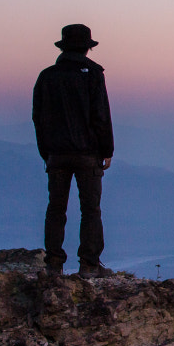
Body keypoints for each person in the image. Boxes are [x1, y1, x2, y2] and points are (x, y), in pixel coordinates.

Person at [32, 23, 114, 275]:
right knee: (90, 209)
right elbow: (100, 116)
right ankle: (89, 264)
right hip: (88, 154)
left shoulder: (47, 76)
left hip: (56, 154)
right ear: (87, 48)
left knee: (56, 208)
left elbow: (38, 116)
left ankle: (53, 264)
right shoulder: (92, 75)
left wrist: (46, 151)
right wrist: (107, 150)